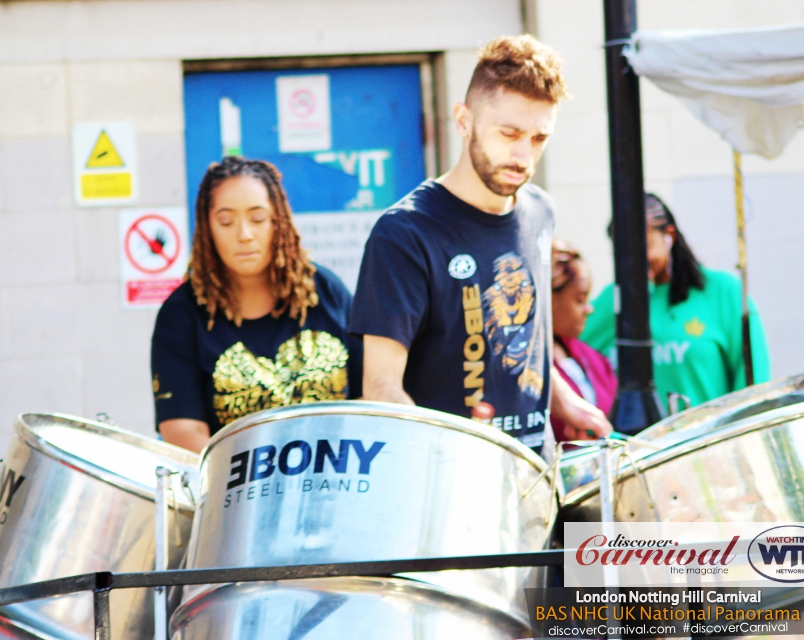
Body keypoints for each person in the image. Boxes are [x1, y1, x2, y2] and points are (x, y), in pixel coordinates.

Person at [348, 35, 612, 453]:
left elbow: (527, 336)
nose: (523, 156)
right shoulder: (404, 232)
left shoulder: (541, 211)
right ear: (464, 120)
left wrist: (566, 402)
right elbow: (381, 389)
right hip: (450, 489)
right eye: (509, 133)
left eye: (539, 139)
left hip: (536, 478)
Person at [151, 157, 362, 453]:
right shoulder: (181, 314)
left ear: (279, 220)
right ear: (207, 227)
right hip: (239, 493)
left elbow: (369, 397)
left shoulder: (326, 291)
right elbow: (181, 428)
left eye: (258, 218)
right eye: (226, 221)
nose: (244, 234)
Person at [580, 193, 770, 409]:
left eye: (642, 247)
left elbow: (753, 381)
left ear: (668, 236)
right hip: (639, 442)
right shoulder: (613, 300)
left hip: (711, 438)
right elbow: (574, 352)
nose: (633, 260)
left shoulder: (723, 291)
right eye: (623, 252)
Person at [550, 240, 617, 442]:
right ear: (549, 299)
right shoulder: (522, 365)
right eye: (580, 300)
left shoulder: (593, 359)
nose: (589, 309)